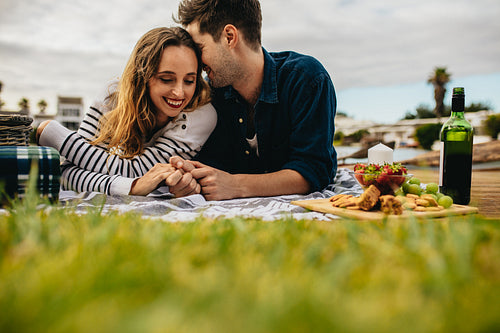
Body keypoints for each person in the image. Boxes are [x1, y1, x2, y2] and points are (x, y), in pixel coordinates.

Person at [169, 0, 337, 200]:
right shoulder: (214, 94)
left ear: (229, 37)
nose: (196, 63)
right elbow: (212, 166)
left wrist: (236, 186)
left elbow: (314, 170)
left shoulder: (306, 79)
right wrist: (189, 181)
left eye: (199, 49)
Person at [37, 27, 217, 196]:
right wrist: (132, 187)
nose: (179, 92)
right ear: (143, 75)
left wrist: (52, 134)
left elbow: (137, 171)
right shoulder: (114, 96)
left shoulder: (201, 115)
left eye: (189, 81)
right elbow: (67, 174)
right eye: (166, 79)